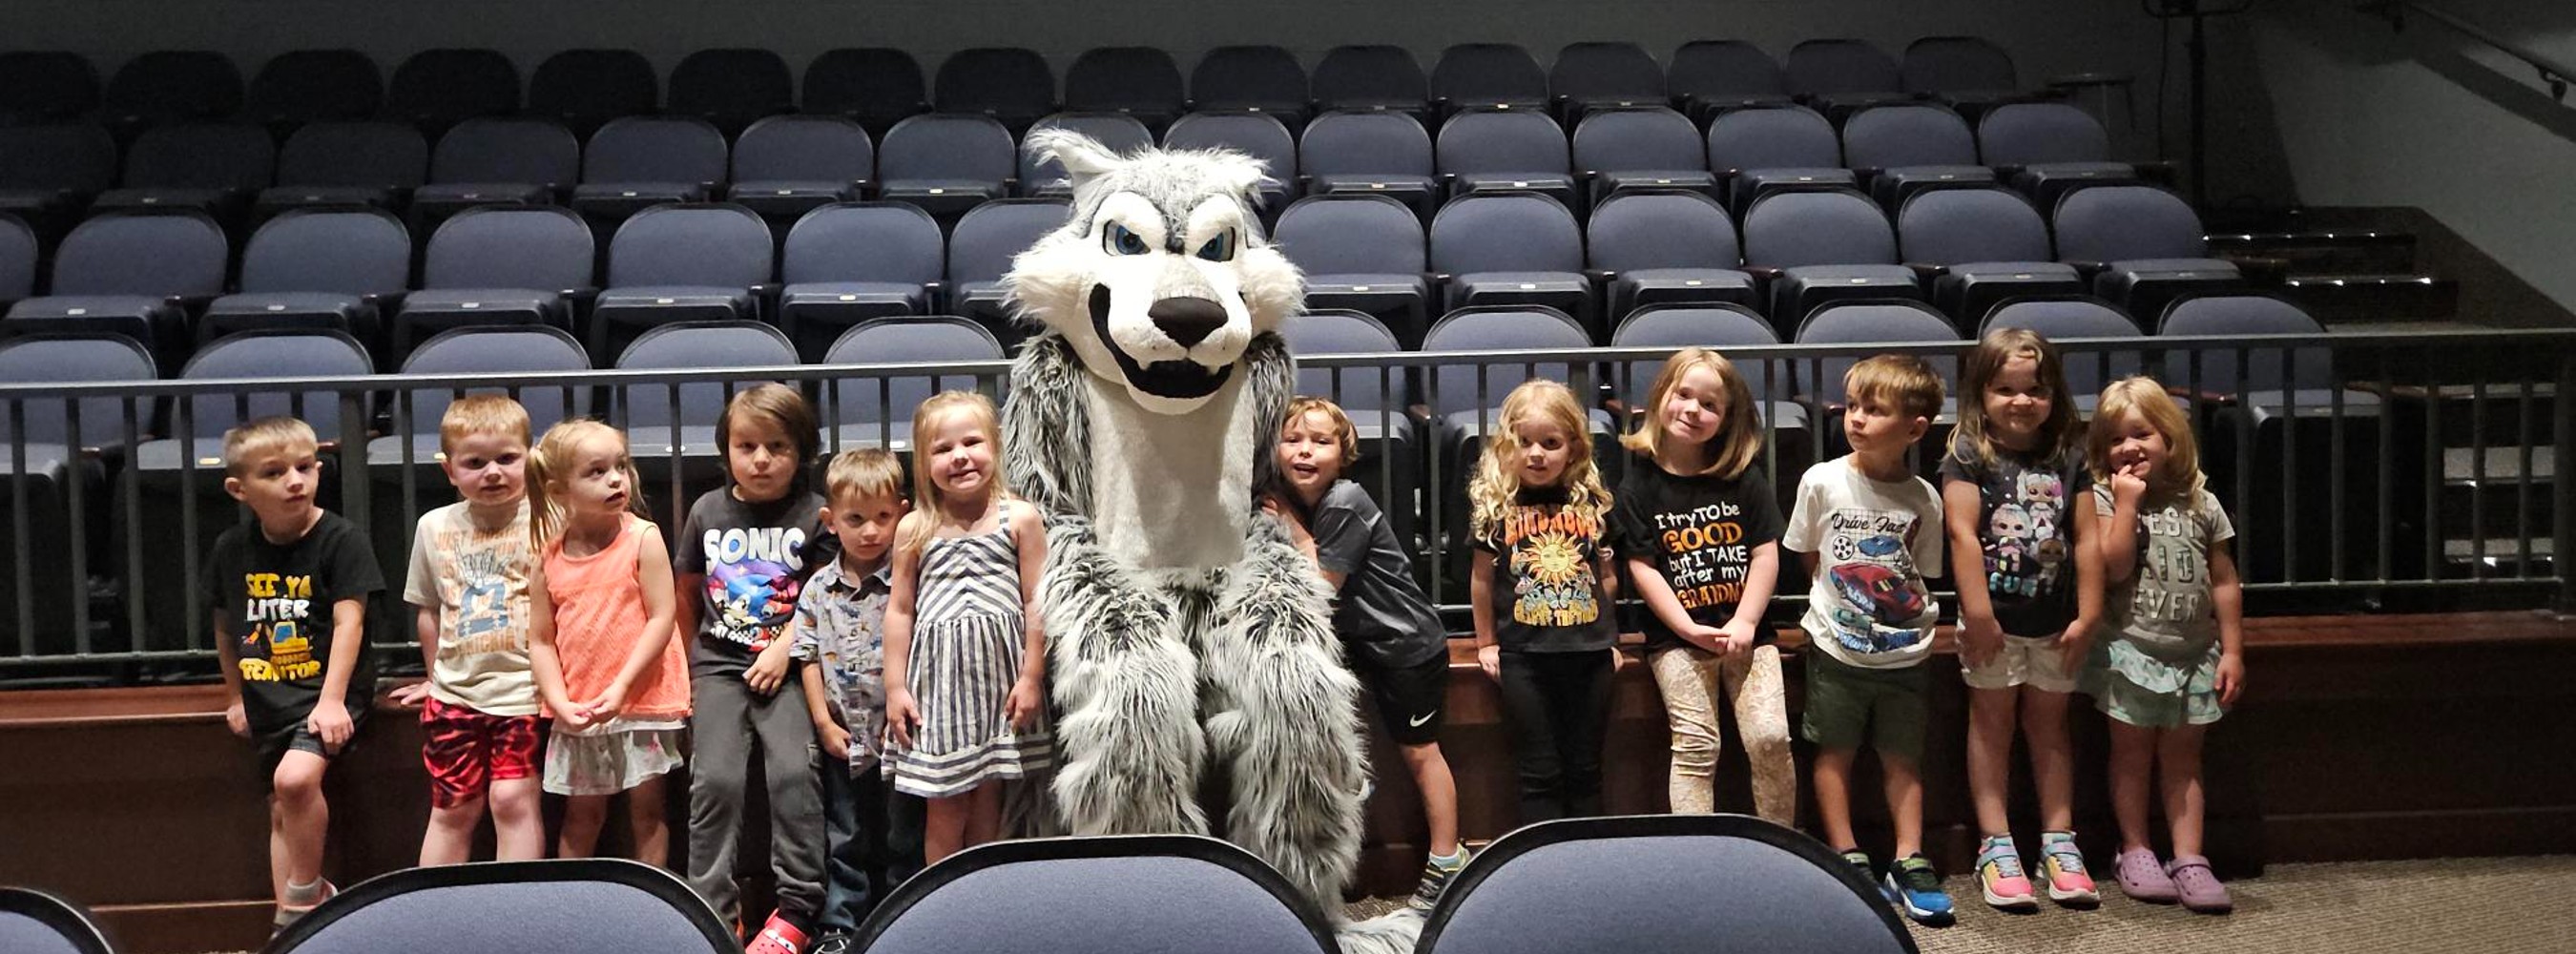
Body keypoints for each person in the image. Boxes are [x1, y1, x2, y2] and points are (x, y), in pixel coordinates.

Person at [1265, 397, 1468, 910]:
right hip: (1360, 646)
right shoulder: (1307, 501)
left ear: (1344, 454)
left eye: (1320, 442)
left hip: (1406, 646)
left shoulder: (1344, 501)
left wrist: (1288, 520)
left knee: (1421, 753)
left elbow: (1320, 585)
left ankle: (1448, 859)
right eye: (1293, 440)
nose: (1305, 452)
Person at [1782, 355, 1953, 925]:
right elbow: (1810, 554)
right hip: (1836, 648)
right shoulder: (1822, 480)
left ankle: (1908, 858)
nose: (1855, 418)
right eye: (1853, 406)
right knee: (1834, 750)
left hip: (1906, 653)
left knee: (1902, 756)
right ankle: (1846, 853)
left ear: (1914, 429)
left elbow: (1919, 572)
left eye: (1874, 410)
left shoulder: (1925, 498)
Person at [1940, 329, 2105, 910]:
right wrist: (1979, 613)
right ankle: (1997, 843)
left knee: (2050, 728)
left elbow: (2085, 537)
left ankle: (2059, 843)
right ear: (1981, 394)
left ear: (2053, 392)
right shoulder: (1968, 452)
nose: (2021, 401)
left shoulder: (2070, 454)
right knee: (1991, 725)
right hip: (1994, 622)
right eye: (2005, 389)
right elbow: (1960, 533)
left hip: (2058, 621)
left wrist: (2089, 613)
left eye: (2034, 389)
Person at [203, 416, 381, 931]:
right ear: (239, 489)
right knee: (281, 810)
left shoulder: (341, 539)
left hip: (329, 692)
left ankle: (308, 893)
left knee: (295, 778)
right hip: (266, 696)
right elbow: (224, 628)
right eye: (276, 472)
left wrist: (332, 701)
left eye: (305, 468)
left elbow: (351, 623)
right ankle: (294, 932)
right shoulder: (230, 550)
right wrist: (236, 696)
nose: (295, 481)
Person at [677, 383, 833, 954]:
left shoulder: (815, 514)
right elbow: (688, 588)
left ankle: (796, 910)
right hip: (718, 666)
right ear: (727, 453)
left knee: (793, 776)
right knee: (714, 781)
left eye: (777, 446)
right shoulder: (707, 511)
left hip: (792, 666)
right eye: (747, 446)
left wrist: (784, 648)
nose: (761, 459)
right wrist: (685, 665)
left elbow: (824, 592)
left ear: (801, 453)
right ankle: (712, 912)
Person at [1610, 348, 1794, 822]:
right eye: (1684, 395)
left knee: (1770, 737)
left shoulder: (1742, 479)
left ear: (1727, 419)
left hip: (1746, 631)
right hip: (1677, 638)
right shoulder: (1637, 488)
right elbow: (1643, 568)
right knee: (1697, 743)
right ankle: (1698, 856)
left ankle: (1783, 847)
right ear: (1661, 397)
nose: (1694, 410)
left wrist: (1747, 620)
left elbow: (1765, 553)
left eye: (1710, 405)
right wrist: (1688, 629)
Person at [2088, 377, 2246, 915]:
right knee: (2131, 758)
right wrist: (2128, 503)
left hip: (2195, 654)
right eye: (2115, 439)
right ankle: (2134, 849)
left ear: (2170, 437)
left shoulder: (2203, 502)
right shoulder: (2106, 497)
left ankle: (2190, 857)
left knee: (2184, 762)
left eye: (2142, 434)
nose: (2129, 448)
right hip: (2131, 652)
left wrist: (2233, 650)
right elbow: (2114, 568)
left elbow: (2224, 580)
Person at [883, 391, 1052, 866]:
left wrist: (1031, 675)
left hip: (998, 687)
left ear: (995, 446)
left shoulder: (1018, 517)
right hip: (939, 691)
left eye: (972, 442)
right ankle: (942, 901)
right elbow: (899, 609)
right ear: (923, 461)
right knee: (945, 806)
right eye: (941, 449)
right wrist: (895, 686)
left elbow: (1035, 602)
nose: (959, 457)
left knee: (987, 801)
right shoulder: (915, 527)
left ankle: (985, 897)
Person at [387, 396, 546, 866]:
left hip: (523, 692)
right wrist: (435, 676)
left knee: (512, 800)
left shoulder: (549, 518)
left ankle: (515, 920)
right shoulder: (433, 527)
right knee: (453, 808)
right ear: (450, 471)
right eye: (475, 463)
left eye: (507, 459)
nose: (492, 472)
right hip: (456, 696)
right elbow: (429, 610)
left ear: (529, 458)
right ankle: (435, 918)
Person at [526, 419, 688, 866]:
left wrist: (621, 688)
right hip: (581, 704)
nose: (616, 479)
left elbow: (662, 617)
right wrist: (558, 700)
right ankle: (572, 907)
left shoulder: (642, 538)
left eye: (620, 466)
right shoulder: (548, 555)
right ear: (559, 491)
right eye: (596, 472)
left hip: (639, 699)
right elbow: (540, 639)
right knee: (581, 816)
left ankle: (653, 906)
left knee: (648, 814)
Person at [1467, 379, 1622, 824]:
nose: (1536, 454)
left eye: (1550, 443)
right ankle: (1544, 869)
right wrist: (1485, 643)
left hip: (1590, 657)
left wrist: (1606, 637)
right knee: (1540, 772)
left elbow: (1607, 578)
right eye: (1524, 442)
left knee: (1586, 769)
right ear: (1506, 446)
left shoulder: (1593, 505)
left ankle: (1589, 862)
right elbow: (1480, 580)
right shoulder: (1496, 507)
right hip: (1524, 659)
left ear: (1572, 448)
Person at [789, 448, 924, 952]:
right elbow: (804, 656)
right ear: (830, 521)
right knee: (844, 835)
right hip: (843, 735)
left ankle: (901, 919)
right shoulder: (818, 589)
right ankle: (840, 926)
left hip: (899, 734)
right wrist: (823, 723)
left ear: (903, 513)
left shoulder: (909, 581)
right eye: (855, 519)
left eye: (883, 518)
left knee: (901, 833)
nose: (870, 531)